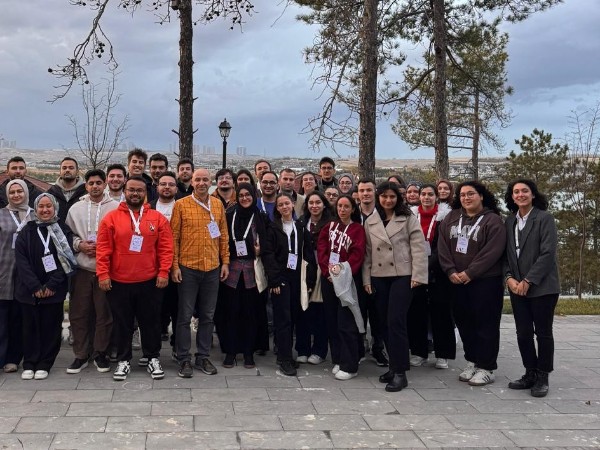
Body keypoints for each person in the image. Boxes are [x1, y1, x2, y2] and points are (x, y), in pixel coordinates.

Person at [96, 176, 173, 381]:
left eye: (139, 190)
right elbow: (103, 249)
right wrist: (103, 274)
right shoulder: (111, 218)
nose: (135, 193)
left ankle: (152, 357)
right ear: (125, 191)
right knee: (122, 323)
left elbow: (166, 248)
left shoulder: (157, 218)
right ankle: (123, 359)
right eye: (131, 190)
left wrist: (163, 272)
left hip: (150, 281)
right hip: (119, 281)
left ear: (145, 193)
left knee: (151, 322)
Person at [437, 180, 506, 387]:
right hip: (456, 280)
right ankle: (472, 360)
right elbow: (442, 246)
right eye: (462, 195)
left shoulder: (493, 221)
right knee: (464, 323)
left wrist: (470, 272)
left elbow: (492, 252)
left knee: (486, 324)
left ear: (481, 196)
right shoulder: (451, 218)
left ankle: (487, 367)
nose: (466, 198)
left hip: (485, 281)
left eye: (471, 194)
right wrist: (450, 271)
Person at [362, 181, 427, 392]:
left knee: (396, 321)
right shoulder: (371, 220)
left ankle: (400, 372)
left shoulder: (408, 218)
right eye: (384, 196)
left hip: (403, 275)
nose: (388, 200)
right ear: (378, 198)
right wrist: (366, 279)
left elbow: (418, 248)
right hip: (378, 276)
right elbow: (367, 253)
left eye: (392, 196)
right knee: (383, 323)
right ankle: (393, 365)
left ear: (398, 198)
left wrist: (418, 275)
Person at [170, 168, 229, 378]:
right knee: (184, 316)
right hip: (188, 268)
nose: (202, 183)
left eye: (205, 179)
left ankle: (203, 356)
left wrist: (225, 262)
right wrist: (174, 266)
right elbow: (174, 238)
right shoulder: (181, 205)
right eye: (198, 179)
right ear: (192, 182)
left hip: (212, 268)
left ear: (211, 182)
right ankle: (183, 357)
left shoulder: (217, 204)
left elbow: (223, 236)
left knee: (207, 315)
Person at [504, 179, 559, 398]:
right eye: (516, 192)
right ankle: (530, 372)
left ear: (533, 194)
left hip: (543, 287)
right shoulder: (509, 221)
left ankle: (543, 376)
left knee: (543, 333)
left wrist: (528, 280)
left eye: (524, 191)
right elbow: (505, 254)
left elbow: (548, 254)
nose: (520, 194)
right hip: (516, 287)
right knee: (523, 333)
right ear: (512, 196)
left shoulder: (545, 218)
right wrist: (509, 278)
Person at [15, 193, 77, 380]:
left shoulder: (62, 230)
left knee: (51, 327)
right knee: (29, 327)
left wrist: (51, 285)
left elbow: (66, 260)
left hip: (54, 289)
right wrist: (35, 286)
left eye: (48, 206)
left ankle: (45, 362)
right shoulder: (26, 231)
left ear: (55, 208)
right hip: (29, 290)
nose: (45, 210)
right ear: (35, 209)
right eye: (41, 206)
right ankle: (29, 362)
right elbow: (21, 261)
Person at [65, 169, 118, 374]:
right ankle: (81, 354)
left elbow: (121, 235)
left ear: (105, 184)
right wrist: (79, 245)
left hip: (106, 269)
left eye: (98, 183)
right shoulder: (76, 208)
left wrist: (105, 249)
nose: (95, 186)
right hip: (82, 268)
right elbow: (67, 235)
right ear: (86, 186)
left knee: (104, 313)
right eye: (91, 183)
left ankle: (100, 353)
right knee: (79, 313)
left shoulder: (115, 208)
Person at [263, 193, 316, 376]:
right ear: (277, 208)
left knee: (294, 316)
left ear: (293, 204)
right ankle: (284, 358)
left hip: (297, 277)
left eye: (287, 203)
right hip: (281, 278)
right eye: (280, 205)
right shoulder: (272, 228)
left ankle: (286, 354)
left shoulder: (300, 227)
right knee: (283, 319)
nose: (284, 207)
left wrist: (309, 281)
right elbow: (268, 255)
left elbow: (308, 255)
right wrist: (274, 280)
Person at [217, 183, 267, 368]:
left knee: (250, 314)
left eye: (248, 195)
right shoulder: (229, 215)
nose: (245, 198)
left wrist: (261, 250)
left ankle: (248, 352)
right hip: (231, 272)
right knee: (231, 313)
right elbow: (222, 240)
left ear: (254, 196)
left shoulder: (260, 217)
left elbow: (268, 241)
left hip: (252, 274)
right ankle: (230, 351)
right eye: (241, 195)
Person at [317, 194, 366, 381]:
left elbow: (357, 255)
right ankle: (338, 358)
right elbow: (322, 249)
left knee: (346, 322)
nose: (342, 210)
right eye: (339, 206)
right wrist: (327, 271)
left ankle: (350, 365)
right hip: (329, 279)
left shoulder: (357, 230)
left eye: (346, 206)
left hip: (347, 280)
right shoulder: (329, 226)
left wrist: (341, 272)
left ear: (353, 209)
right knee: (332, 320)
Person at [407, 184, 455, 370]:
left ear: (436, 197)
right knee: (416, 312)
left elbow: (445, 244)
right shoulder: (411, 216)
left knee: (441, 313)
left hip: (439, 270)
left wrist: (430, 263)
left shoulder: (445, 217)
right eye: (423, 194)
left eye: (430, 194)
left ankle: (443, 354)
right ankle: (419, 352)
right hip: (415, 269)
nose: (426, 197)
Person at [0, 180, 32, 373]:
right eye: (12, 192)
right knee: (2, 320)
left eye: (20, 191)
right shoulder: (1, 214)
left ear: (26, 192)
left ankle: (13, 358)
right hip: (4, 274)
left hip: (26, 276)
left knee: (19, 320)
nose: (16, 195)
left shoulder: (34, 215)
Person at [356, 179, 387, 367]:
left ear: (374, 192)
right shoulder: (353, 212)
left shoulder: (383, 213)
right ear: (358, 193)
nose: (365, 193)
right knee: (359, 310)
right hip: (356, 269)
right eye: (362, 190)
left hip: (378, 269)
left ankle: (378, 347)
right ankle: (360, 345)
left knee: (378, 311)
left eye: (369, 190)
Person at [299, 191, 332, 365]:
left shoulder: (331, 223)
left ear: (324, 204)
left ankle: (319, 350)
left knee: (320, 312)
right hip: (304, 270)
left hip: (323, 269)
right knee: (303, 309)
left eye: (318, 202)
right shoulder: (301, 222)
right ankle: (302, 349)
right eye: (311, 203)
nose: (314, 206)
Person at [149, 171, 180, 348]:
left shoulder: (183, 206)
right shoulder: (148, 208)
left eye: (171, 184)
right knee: (154, 308)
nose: (167, 187)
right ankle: (153, 349)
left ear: (176, 188)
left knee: (177, 308)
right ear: (157, 187)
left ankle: (177, 346)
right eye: (163, 184)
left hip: (178, 266)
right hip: (153, 266)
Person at [47, 157, 86, 223]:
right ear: (60, 171)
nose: (67, 170)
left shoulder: (86, 193)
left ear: (77, 171)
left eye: (71, 168)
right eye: (64, 168)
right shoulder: (51, 193)